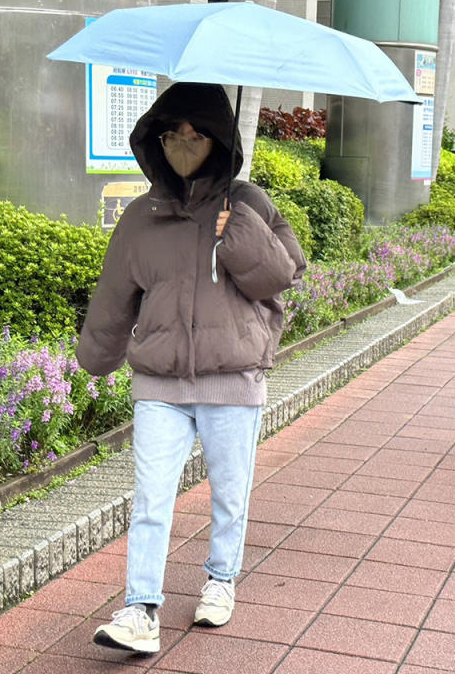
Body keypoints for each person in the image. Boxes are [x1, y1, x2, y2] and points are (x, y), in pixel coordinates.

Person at [76, 82, 306, 653]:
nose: (184, 141)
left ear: (218, 139)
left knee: (230, 493)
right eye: (173, 131)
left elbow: (282, 274)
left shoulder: (249, 204)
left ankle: (221, 580)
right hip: (160, 380)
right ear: (156, 138)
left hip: (233, 377)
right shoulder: (140, 217)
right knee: (151, 497)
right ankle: (139, 609)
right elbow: (113, 297)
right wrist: (93, 360)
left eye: (196, 132)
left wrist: (242, 234)